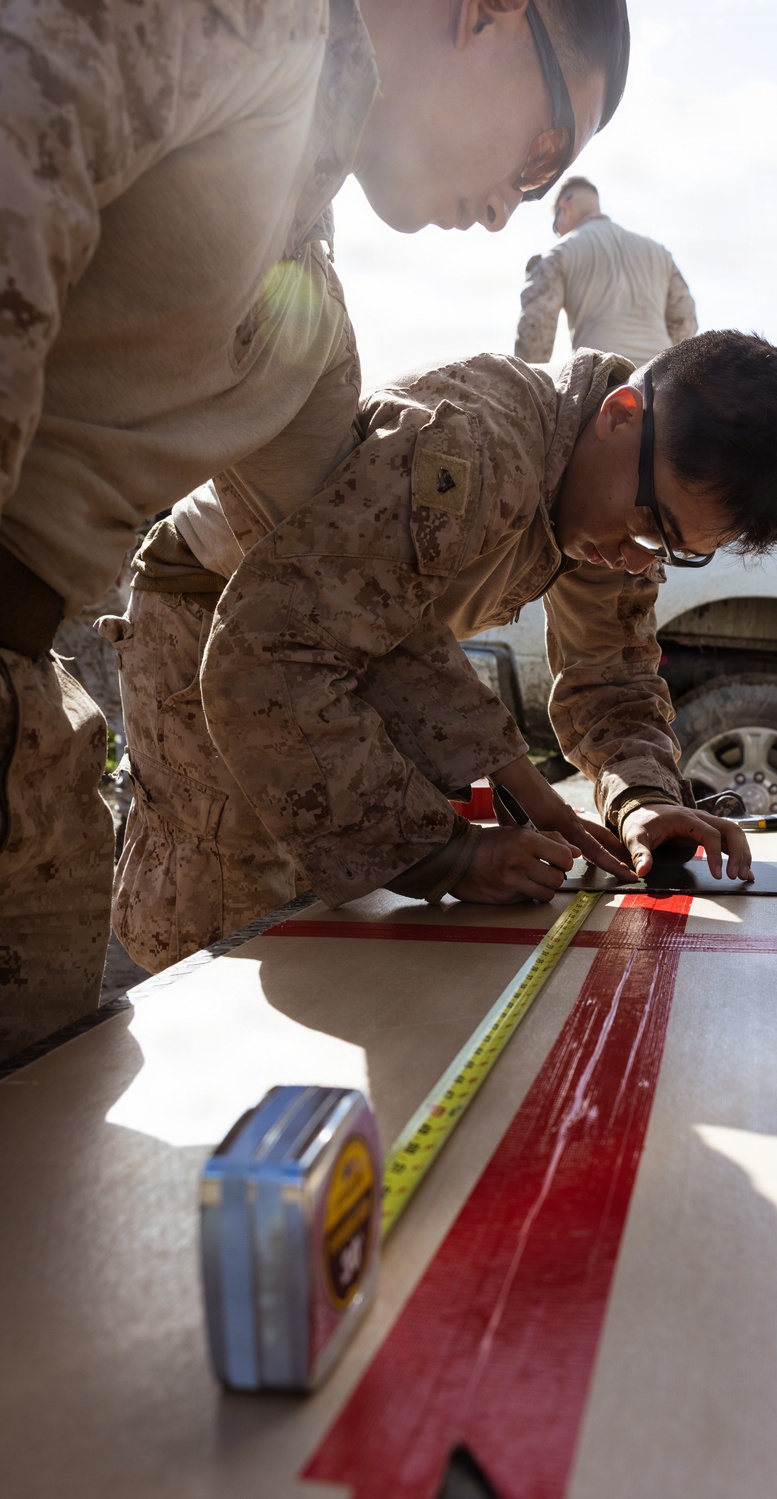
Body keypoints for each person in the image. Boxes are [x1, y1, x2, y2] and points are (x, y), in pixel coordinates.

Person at [0, 0, 631, 1057]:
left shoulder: (308, 327)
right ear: (489, 14)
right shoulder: (239, 22)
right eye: (541, 153)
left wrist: (487, 778)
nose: (508, 209)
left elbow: (344, 599)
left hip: (29, 736)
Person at [108, 330, 777, 971]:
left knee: (327, 918)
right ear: (620, 414)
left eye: (674, 550)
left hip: (335, 643)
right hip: (210, 612)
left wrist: (643, 800)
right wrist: (443, 854)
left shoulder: (619, 490)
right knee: (232, 922)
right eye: (650, 526)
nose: (639, 560)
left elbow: (611, 682)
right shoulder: (474, 446)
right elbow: (275, 652)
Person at [515, 176, 696, 366]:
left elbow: (535, 331)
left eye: (555, 226)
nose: (558, 231)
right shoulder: (659, 253)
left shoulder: (558, 254)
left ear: (566, 208)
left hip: (602, 376)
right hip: (660, 375)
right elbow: (685, 322)